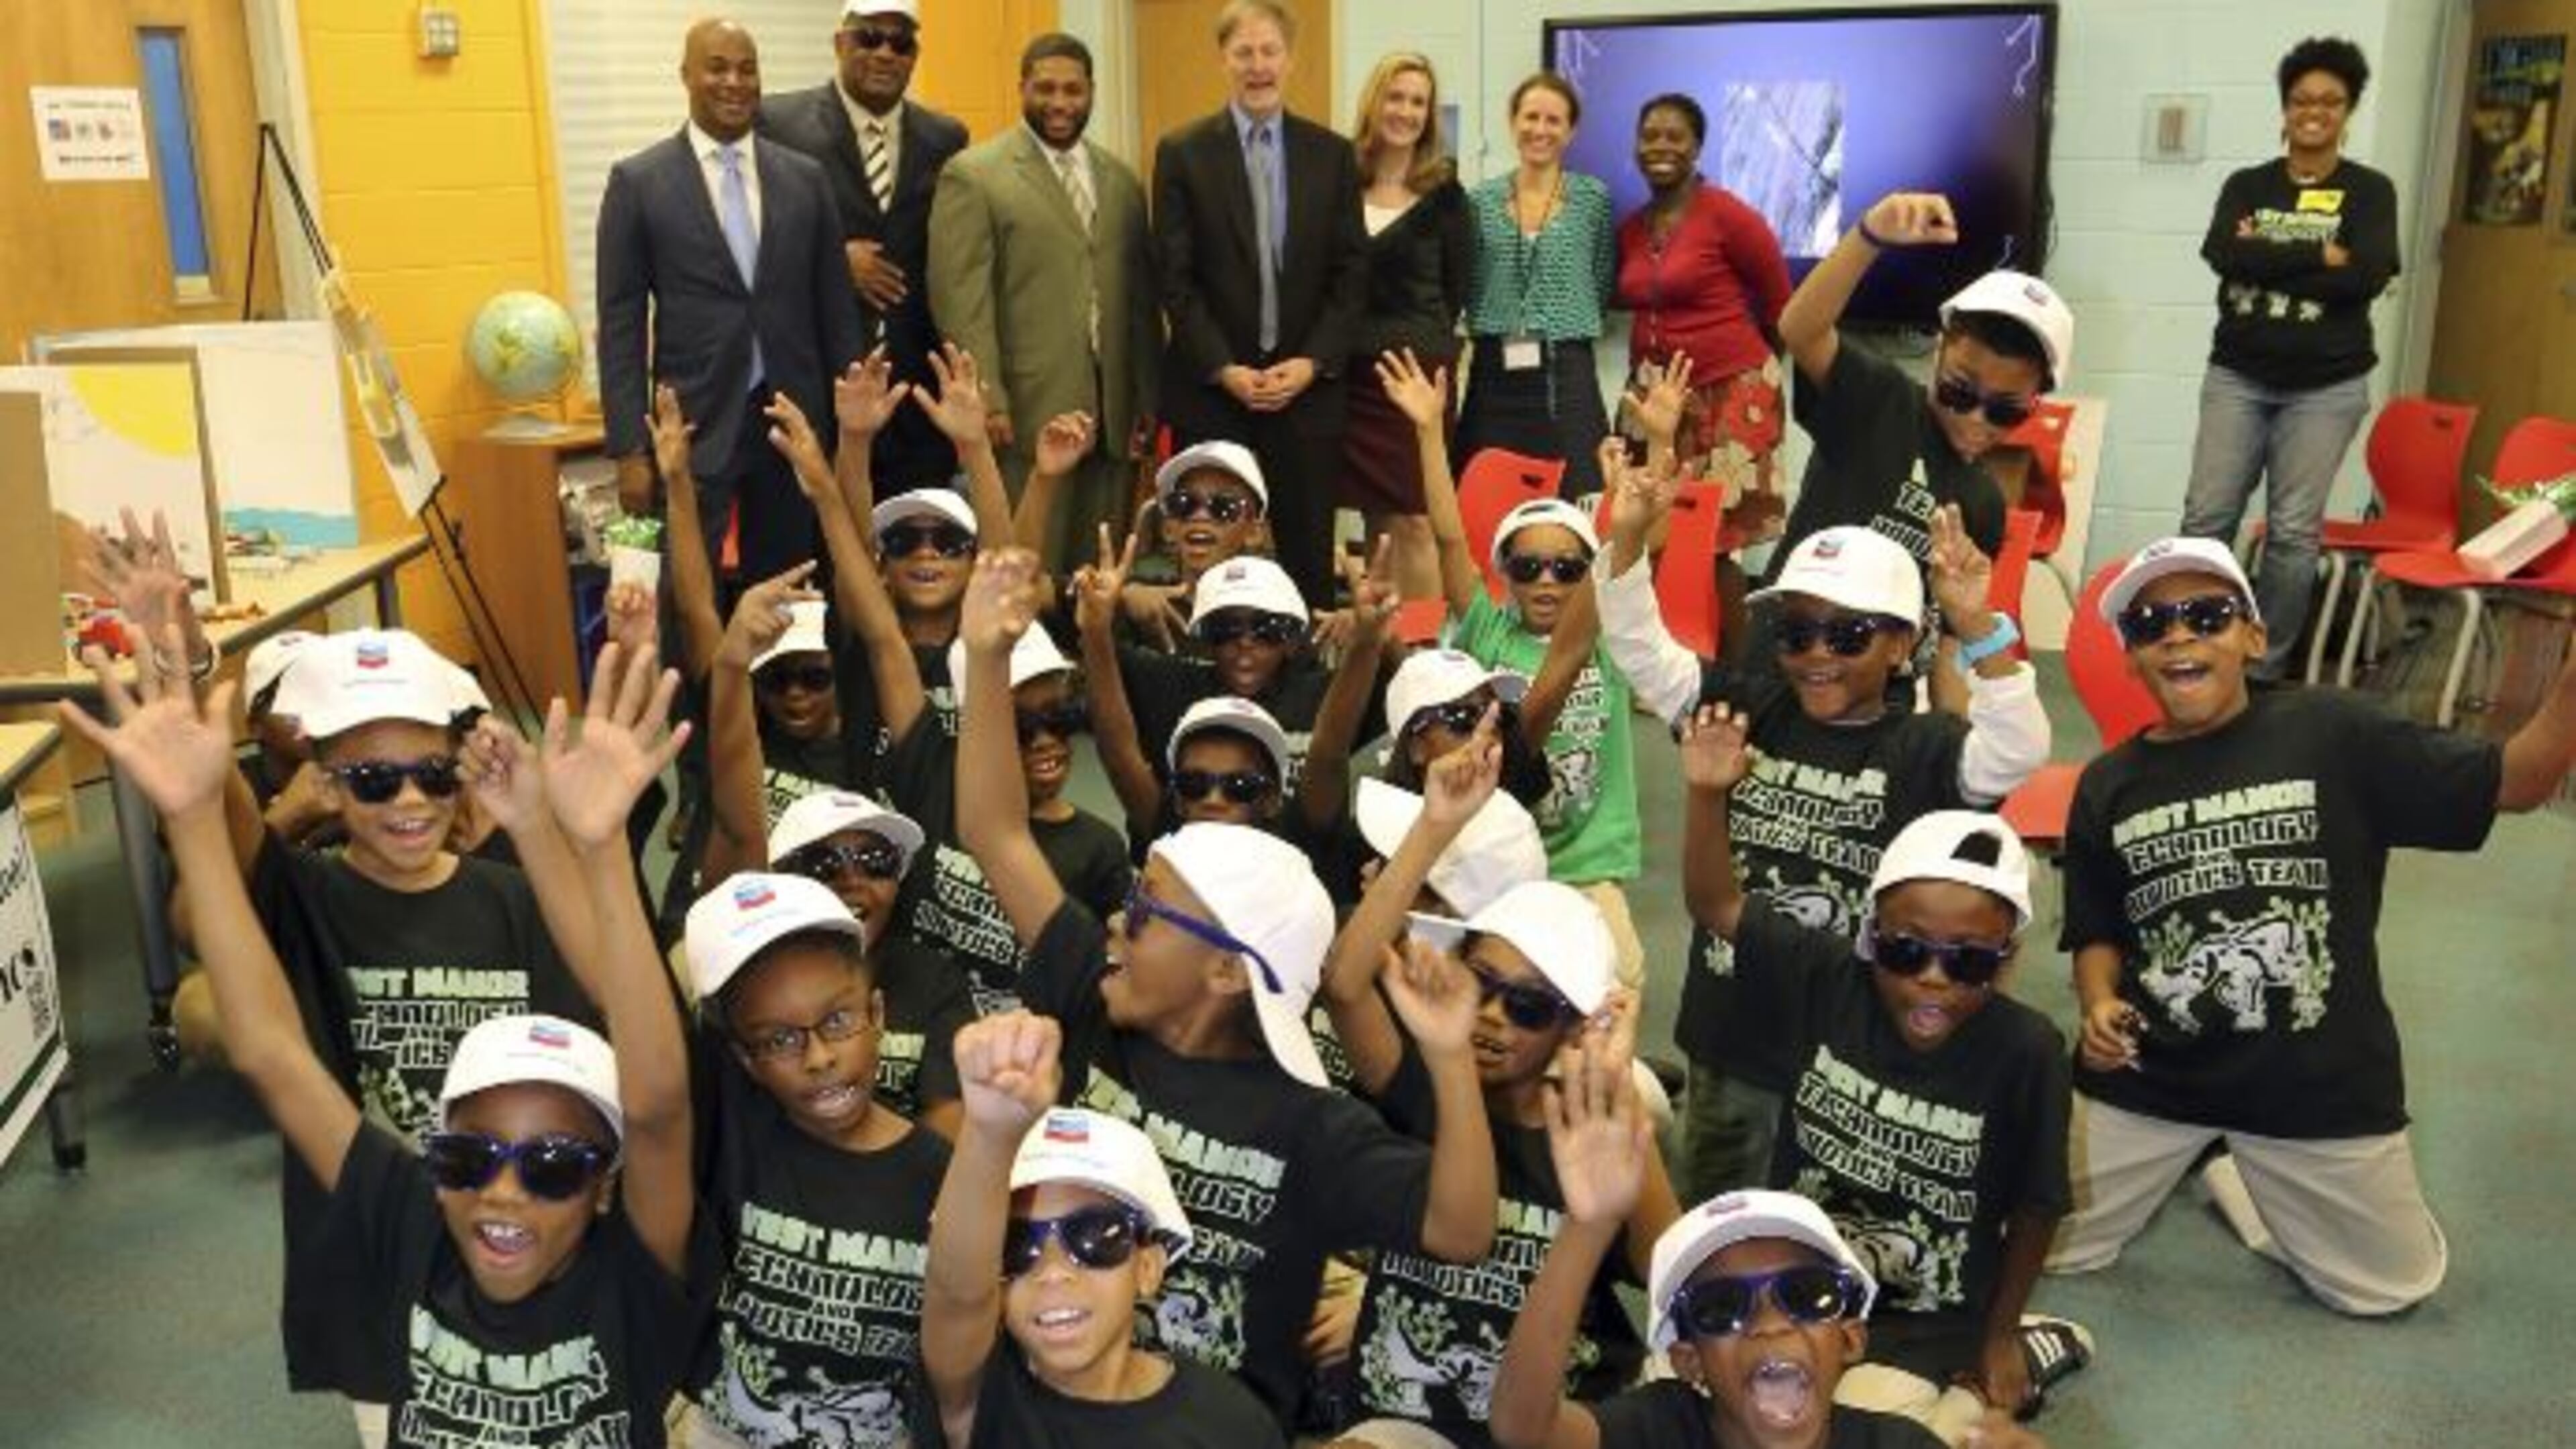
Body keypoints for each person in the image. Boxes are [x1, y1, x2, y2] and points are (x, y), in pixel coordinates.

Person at [72, 637, 712, 1446]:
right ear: (434, 1167)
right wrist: (195, 817)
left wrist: (600, 846)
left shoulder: (629, 1281)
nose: (506, 1191)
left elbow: (657, 1103)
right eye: (465, 1159)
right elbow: (271, 1051)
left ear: (608, 1183)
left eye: (554, 1166)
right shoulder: (411, 1221)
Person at [954, 547, 1501, 1429]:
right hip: (1044, 1410)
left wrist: (1450, 1060)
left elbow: (1462, 1228)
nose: (1118, 925)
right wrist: (985, 660)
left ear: (1223, 968)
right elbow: (993, 830)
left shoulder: (1310, 1124)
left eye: (1146, 910)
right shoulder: (1093, 1000)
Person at [2047, 537, 2576, 1315]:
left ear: (2254, 637)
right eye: (2153, 624)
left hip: (2316, 1083)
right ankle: (2220, 1159)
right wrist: (2096, 1005)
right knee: (2052, 1251)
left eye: (2207, 614)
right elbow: (2095, 930)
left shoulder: (2335, 731)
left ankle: (2241, 1175)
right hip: (2152, 1075)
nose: (2180, 634)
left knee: (2388, 1294)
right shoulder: (2108, 784)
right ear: (2132, 657)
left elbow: (2522, 781)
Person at [1597, 469, 2049, 1199]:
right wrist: (1626, 538)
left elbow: (2019, 746)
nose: (1817, 653)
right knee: (1714, 1214)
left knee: (1828, 1222)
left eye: (1848, 634)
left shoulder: (1926, 747)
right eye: (1796, 631)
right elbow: (1641, 649)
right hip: (1733, 1027)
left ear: (1902, 646)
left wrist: (1979, 626)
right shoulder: (1748, 708)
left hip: (1852, 1037)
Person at [1681, 738, 2088, 1442]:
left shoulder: (2027, 1050)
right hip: (1795, 1285)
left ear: (2008, 958)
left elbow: (2037, 1205)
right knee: (1702, 1404)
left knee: (1843, 1430)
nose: (1932, 977)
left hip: (1921, 1318)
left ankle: (2012, 1361)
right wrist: (1707, 793)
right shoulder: (1826, 976)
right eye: (1906, 950)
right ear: (1872, 936)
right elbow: (1717, 904)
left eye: (1968, 962)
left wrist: (1994, 1336)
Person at [1323, 717, 1681, 1449]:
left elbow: (1682, 1279)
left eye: (1527, 1007)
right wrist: (1432, 826)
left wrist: (1611, 1084)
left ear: (1572, 1026)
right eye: (1478, 982)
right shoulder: (1426, 1084)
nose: (1489, 1017)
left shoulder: (1598, 1135)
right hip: (1402, 1417)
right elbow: (1346, 984)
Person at [1392, 349, 1648, 987]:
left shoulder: (1607, 633)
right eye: (1528, 565)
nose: (1547, 580)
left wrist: (1631, 480)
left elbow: (1630, 553)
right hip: (1494, 855)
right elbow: (1451, 538)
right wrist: (1429, 431)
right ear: (1504, 573)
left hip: (1587, 860)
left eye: (1566, 569)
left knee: (1616, 983)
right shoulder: (1486, 627)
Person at [677, 870, 953, 1447]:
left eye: (837, 1021)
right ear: (745, 1060)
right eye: (778, 1040)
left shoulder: (940, 1170)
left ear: (877, 1015)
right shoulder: (732, 1134)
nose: (819, 1057)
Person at [921, 1012, 1284, 1447]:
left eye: (1094, 1237)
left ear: (1148, 1266)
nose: (1053, 1271)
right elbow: (957, 1294)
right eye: (1016, 1246)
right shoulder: (984, 1392)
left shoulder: (1231, 1423)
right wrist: (991, 1133)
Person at [1493, 1181, 2054, 1449]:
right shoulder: (1659, 1429)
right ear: (1689, 1362)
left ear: (1852, 1339)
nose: (1769, 1322)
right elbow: (1524, 1429)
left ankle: (2013, 1362)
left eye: (1808, 1294)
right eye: (1720, 1309)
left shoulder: (1897, 1447)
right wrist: (1588, 1225)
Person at [598, 17, 865, 582]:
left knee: (797, 596)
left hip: (792, 426)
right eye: (717, 68)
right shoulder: (639, 182)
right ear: (686, 76)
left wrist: (849, 432)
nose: (734, 82)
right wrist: (627, 450)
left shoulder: (805, 178)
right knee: (691, 604)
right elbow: (620, 323)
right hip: (694, 428)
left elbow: (836, 310)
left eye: (747, 69)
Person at [2178, 37, 2400, 685]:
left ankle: (2261, 672)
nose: (2315, 112)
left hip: (2327, 388)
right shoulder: (2247, 185)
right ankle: (2195, 645)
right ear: (2284, 109)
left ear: (2348, 111)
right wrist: (2321, 256)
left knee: (2294, 535)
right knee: (2206, 519)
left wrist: (2271, 248)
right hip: (2238, 377)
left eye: (2331, 102)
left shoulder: (2369, 191)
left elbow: (2367, 274)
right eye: (2303, 99)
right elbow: (2223, 253)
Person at [1770, 191, 2074, 662]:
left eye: (2005, 411)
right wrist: (1869, 235)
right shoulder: (1878, 401)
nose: (1975, 420)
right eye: (1960, 392)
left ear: (2034, 404)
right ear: (1938, 354)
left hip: (1878, 710)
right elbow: (1799, 328)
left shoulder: (1985, 505)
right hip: (1784, 662)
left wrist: (1958, 732)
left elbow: (1950, 645)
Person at [1153, 0, 1367, 599]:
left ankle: (1305, 685)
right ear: (1223, 60)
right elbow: (1175, 278)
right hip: (1215, 393)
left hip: (1307, 392)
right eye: (1243, 52)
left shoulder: (1332, 155)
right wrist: (1225, 368)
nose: (1258, 66)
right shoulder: (1183, 153)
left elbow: (1351, 275)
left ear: (1290, 59)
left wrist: (1311, 363)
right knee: (1212, 563)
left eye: (1269, 51)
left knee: (1305, 559)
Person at [928, 31, 1159, 574]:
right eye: (1046, 89)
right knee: (1026, 566)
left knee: (1100, 567)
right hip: (1025, 411)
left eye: (1073, 91)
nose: (1060, 103)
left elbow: (1142, 300)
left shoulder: (1122, 180)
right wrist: (987, 395)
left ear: (1092, 93)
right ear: (1022, 89)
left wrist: (1146, 394)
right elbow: (961, 297)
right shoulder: (975, 175)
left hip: (1114, 414)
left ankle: (1092, 657)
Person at [763, 0, 969, 489]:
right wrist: (833, 263)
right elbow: (752, 246)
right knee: (825, 549)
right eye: (869, 37)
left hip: (916, 396)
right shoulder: (777, 125)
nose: (884, 53)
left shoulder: (946, 138)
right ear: (840, 43)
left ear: (914, 55)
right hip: (822, 390)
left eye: (900, 43)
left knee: (918, 547)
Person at [1615, 92, 1790, 539]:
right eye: (1650, 136)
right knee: (1650, 534)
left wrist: (1747, 379)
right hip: (1652, 401)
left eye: (1675, 137)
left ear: (1696, 148)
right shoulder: (1633, 228)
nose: (1661, 146)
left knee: (1714, 543)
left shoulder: (1728, 214)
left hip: (1727, 395)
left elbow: (1781, 307)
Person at [1342, 51, 1472, 601]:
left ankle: (1428, 659)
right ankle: (1383, 650)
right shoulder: (1338, 183)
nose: (1406, 111)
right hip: (1350, 377)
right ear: (1374, 101)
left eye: (1418, 102)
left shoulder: (1445, 194)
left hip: (1416, 382)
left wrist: (1421, 346)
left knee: (1417, 520)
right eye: (1395, 97)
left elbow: (1458, 286)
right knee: (1376, 520)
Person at [1456, 72, 1617, 502]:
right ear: (1513, 122)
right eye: (1531, 117)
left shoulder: (1593, 200)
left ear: (1571, 131)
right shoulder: (1479, 202)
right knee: (1488, 497)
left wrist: (1559, 316)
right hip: (1495, 370)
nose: (1540, 130)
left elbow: (1601, 279)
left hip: (1568, 367)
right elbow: (1469, 282)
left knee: (1578, 494)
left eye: (1554, 120)